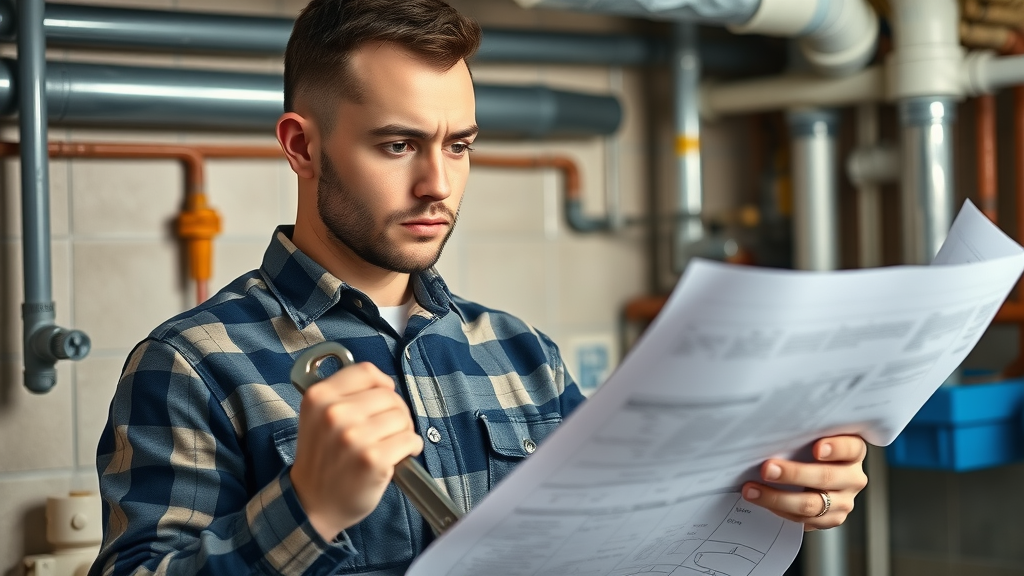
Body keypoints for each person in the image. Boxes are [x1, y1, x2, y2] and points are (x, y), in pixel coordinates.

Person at [89, 1, 869, 574]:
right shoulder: (191, 365)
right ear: (302, 146)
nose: (438, 184)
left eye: (458, 145)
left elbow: (618, 541)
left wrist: (765, 490)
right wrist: (309, 507)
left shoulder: (521, 353)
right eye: (398, 145)